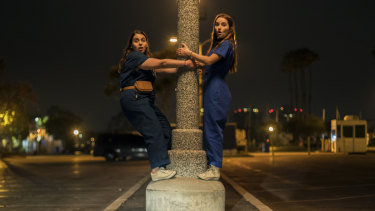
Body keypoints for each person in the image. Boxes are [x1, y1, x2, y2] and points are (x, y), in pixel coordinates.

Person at [118, 30, 195, 181]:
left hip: (144, 99)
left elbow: (171, 69)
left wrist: (188, 56)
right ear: (131, 45)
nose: (140, 43)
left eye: (143, 40)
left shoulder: (146, 60)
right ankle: (156, 170)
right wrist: (186, 62)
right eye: (136, 40)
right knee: (153, 130)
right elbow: (162, 62)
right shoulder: (134, 57)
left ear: (146, 43)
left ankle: (163, 165)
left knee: (165, 129)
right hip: (134, 98)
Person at [176, 13, 238, 181]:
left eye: (223, 24)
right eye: (217, 24)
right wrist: (200, 66)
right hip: (212, 90)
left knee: (213, 130)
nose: (219, 27)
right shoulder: (218, 45)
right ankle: (212, 164)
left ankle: (215, 167)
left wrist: (190, 53)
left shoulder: (226, 44)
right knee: (210, 128)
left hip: (217, 91)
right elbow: (209, 64)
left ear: (230, 28)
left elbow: (210, 61)